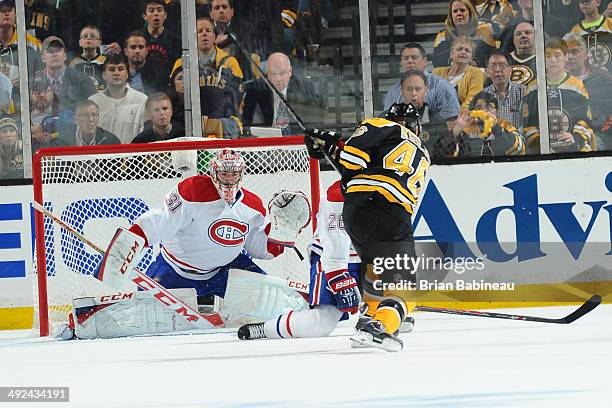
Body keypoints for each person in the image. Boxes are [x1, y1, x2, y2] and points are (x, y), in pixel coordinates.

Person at [303, 103, 430, 352]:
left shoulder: (378, 124)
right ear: (416, 126)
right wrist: (335, 146)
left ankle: (369, 317)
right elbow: (367, 167)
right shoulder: (424, 154)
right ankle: (379, 326)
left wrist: (333, 145)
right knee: (406, 287)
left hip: (354, 211)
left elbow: (351, 164)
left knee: (375, 268)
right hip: (392, 210)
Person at [171, 16, 244, 138]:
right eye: (199, 31)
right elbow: (173, 98)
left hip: (224, 127)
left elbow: (238, 101)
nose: (204, 34)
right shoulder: (181, 64)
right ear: (192, 38)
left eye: (208, 30)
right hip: (190, 126)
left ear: (215, 36)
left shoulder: (230, 62)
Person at [523, 38, 595, 153]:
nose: (553, 60)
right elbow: (528, 124)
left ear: (565, 57)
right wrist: (540, 145)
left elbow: (585, 120)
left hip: (573, 146)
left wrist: (575, 138)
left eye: (557, 55)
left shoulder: (576, 86)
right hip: (542, 150)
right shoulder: (533, 87)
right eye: (548, 56)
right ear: (543, 58)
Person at [243, 52, 322, 135]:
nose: (278, 78)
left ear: (290, 71)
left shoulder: (304, 88)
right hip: (267, 141)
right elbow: (247, 126)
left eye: (282, 73)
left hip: (299, 139)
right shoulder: (255, 90)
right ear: (267, 74)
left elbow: (315, 122)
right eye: (273, 74)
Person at [384, 43, 460, 124]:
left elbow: (452, 120)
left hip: (435, 135)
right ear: (401, 63)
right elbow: (388, 122)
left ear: (425, 61)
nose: (410, 61)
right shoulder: (393, 92)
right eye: (406, 58)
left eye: (414, 57)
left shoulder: (441, 86)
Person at [564, 32, 612, 150]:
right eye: (566, 52)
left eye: (575, 51)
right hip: (567, 137)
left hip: (600, 136)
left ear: (585, 54)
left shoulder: (604, 79)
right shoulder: (557, 83)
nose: (570, 56)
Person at [89, 54, 148, 144]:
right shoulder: (93, 102)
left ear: (127, 74)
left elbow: (147, 135)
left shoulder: (142, 100)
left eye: (120, 69)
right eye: (112, 69)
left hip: (133, 156)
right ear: (104, 75)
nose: (116, 73)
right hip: (101, 155)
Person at [400, 69, 459, 159]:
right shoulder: (389, 119)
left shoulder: (437, 120)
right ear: (402, 91)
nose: (414, 93)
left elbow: (445, 153)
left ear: (426, 91)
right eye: (409, 89)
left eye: (418, 89)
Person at [453, 91, 525, 157]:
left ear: (496, 112)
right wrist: (458, 128)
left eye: (488, 107)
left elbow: (520, 148)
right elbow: (452, 153)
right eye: (479, 107)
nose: (484, 111)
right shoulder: (467, 129)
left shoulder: (505, 125)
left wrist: (496, 128)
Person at [36, 36, 96, 113]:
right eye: (50, 51)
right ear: (43, 58)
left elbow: (95, 110)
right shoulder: (34, 83)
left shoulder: (82, 80)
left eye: (58, 50)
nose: (54, 54)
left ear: (65, 56)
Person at [431, 0, 497, 68]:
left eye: (462, 10)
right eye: (455, 11)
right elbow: (437, 62)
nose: (458, 14)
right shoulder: (442, 36)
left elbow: (492, 60)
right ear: (451, 16)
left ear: (470, 14)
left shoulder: (484, 33)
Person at [432, 36, 486, 110]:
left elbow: (473, 100)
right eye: (459, 49)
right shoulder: (437, 73)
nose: (463, 52)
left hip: (464, 117)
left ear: (471, 58)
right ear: (451, 54)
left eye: (467, 51)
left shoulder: (476, 73)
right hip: (437, 116)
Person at [482, 50, 525, 133]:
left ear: (510, 70)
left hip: (521, 142)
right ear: (487, 72)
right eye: (493, 66)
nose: (498, 70)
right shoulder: (482, 97)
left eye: (502, 65)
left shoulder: (524, 92)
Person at [29, 76, 74, 151]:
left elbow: (71, 134)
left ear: (52, 93)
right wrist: (31, 135)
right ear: (30, 95)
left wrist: (50, 134)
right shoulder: (22, 117)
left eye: (45, 91)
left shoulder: (66, 114)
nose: (41, 95)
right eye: (36, 92)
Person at [141, 0, 181, 81]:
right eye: (151, 10)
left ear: (165, 15)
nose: (156, 14)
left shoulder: (175, 39)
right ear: (144, 16)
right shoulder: (138, 38)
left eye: (159, 10)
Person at [569, 0, 612, 73]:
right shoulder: (575, 31)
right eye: (582, 2)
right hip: (587, 80)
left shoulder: (610, 23)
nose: (585, 4)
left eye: (588, 1)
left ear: (598, 2)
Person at [124, 31, 167, 95]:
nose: (137, 51)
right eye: (133, 47)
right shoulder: (118, 73)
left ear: (147, 51)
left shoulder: (159, 74)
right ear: (125, 51)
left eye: (141, 47)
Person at [69, 25, 107, 91]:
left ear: (99, 43)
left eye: (93, 36)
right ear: (80, 42)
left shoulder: (105, 61)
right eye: (85, 36)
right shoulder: (73, 63)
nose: (88, 38)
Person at [508, 22, 537, 87]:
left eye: (528, 32)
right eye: (518, 34)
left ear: (536, 37)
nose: (523, 36)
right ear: (514, 40)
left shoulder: (545, 59)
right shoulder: (503, 60)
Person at [0, 113, 22, 179]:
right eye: (4, 131)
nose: (8, 134)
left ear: (17, 133)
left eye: (12, 131)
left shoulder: (25, 150)